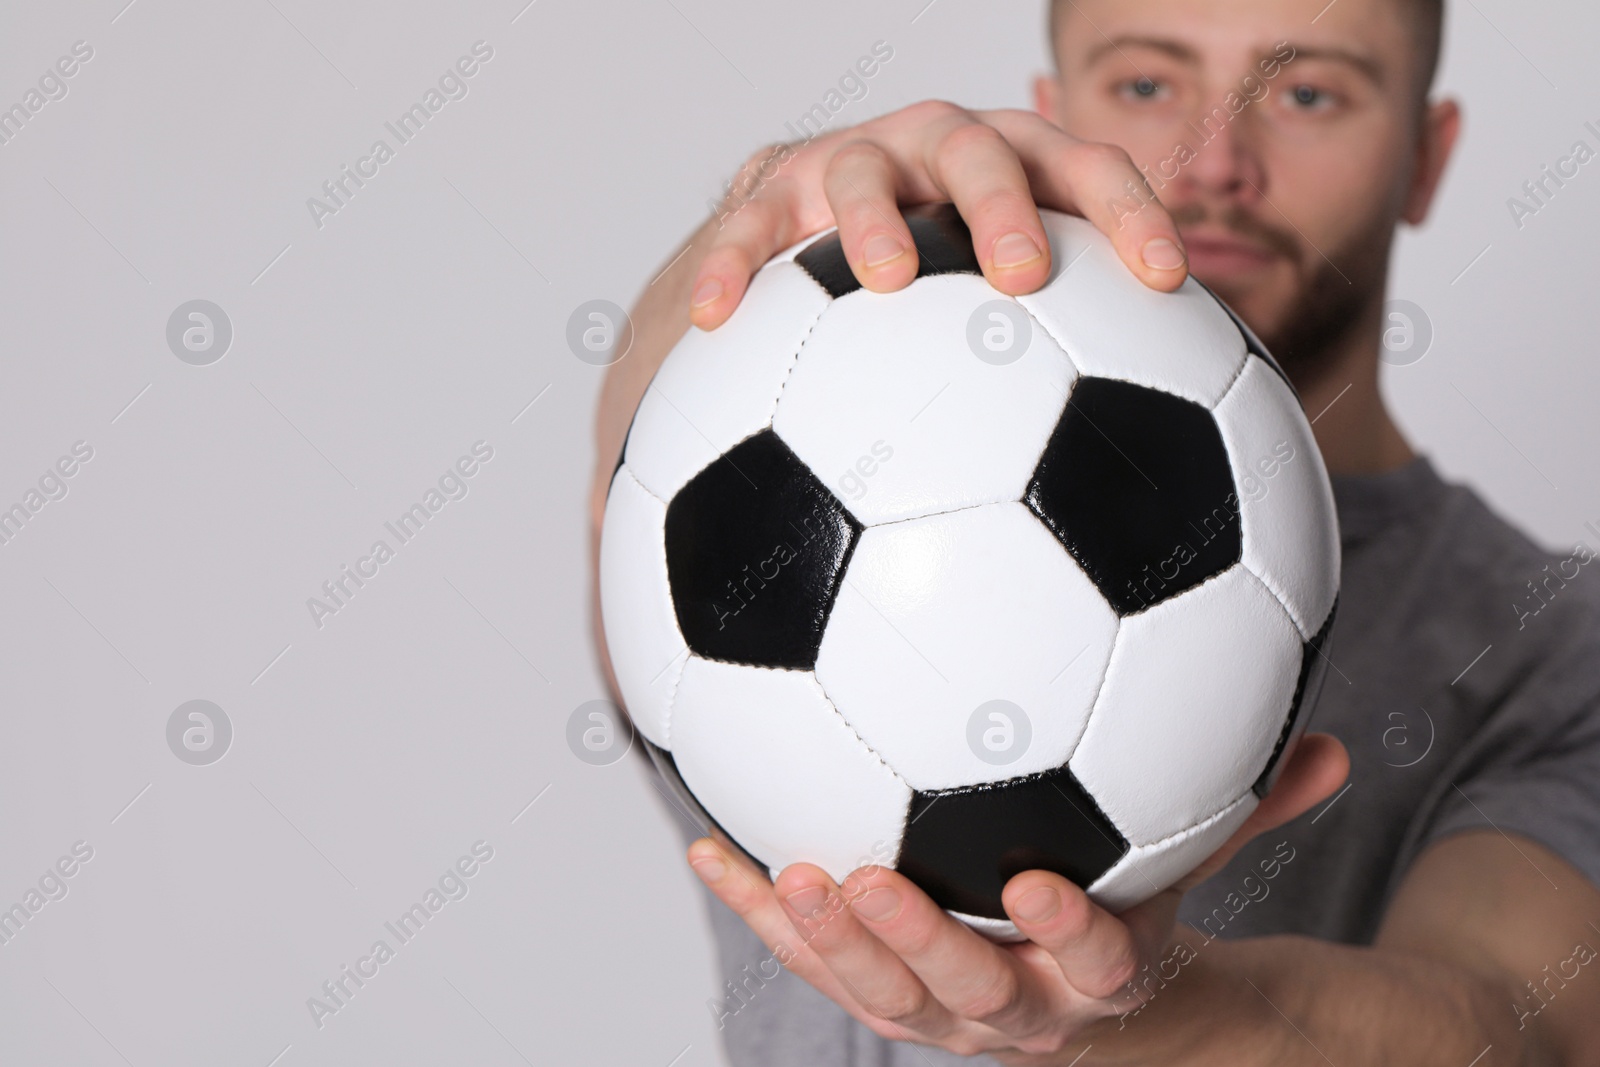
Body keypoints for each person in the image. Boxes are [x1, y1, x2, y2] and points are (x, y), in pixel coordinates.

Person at [588, 0, 1600, 1061]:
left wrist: (1131, 1008)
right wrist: (759, 222)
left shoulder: (1558, 645)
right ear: (1050, 113)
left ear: (1425, 156)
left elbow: (1510, 1026)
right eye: (1146, 86)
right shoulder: (763, 475)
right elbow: (637, 449)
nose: (1216, 163)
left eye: (1307, 94)